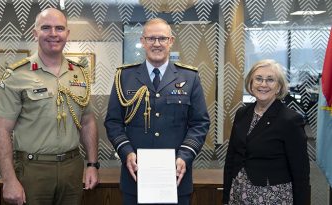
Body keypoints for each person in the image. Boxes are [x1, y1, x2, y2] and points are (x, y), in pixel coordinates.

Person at [0, 8, 99, 205]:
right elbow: (1, 130)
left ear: (67, 34)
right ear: (35, 33)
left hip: (72, 167)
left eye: (59, 28)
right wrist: (8, 180)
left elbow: (88, 121)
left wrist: (92, 164)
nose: (53, 34)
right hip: (33, 170)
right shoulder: (17, 75)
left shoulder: (80, 74)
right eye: (46, 28)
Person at [104, 18, 210, 205]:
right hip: (135, 176)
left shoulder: (190, 77)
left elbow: (200, 123)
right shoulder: (125, 77)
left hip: (176, 177)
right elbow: (113, 122)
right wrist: (126, 152)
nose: (157, 44)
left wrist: (185, 155)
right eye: (151, 38)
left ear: (171, 41)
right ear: (143, 41)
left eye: (162, 38)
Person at [223, 59, 310, 205]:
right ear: (251, 83)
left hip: (273, 196)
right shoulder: (242, 113)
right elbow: (231, 158)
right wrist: (226, 197)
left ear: (279, 87)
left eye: (270, 80)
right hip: (238, 192)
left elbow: (300, 171)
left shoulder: (290, 120)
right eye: (258, 79)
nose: (263, 84)